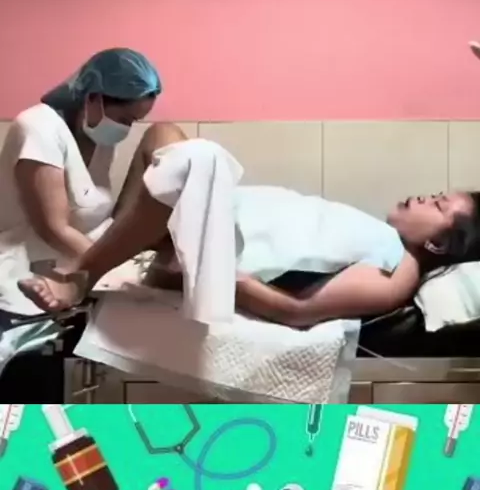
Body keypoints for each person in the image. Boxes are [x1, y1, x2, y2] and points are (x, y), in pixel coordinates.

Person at [17, 132, 480, 327]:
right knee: (164, 135)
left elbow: (298, 312)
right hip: (214, 220)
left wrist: (220, 278)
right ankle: (113, 245)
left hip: (217, 248)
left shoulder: (398, 273)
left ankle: (80, 277)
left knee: (197, 157)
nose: (424, 197)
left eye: (438, 204)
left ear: (438, 242)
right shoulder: (383, 238)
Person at [0, 47, 186, 318]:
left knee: (165, 133)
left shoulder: (98, 135)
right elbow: (53, 229)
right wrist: (112, 264)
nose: (126, 129)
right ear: (93, 98)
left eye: (133, 122)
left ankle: (186, 257)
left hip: (98, 242)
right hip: (41, 257)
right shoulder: (37, 127)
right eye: (124, 120)